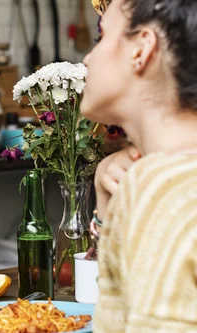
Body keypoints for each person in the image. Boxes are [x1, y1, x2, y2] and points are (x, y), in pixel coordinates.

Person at [82, 0, 197, 331]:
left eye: (101, 36)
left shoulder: (164, 191)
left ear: (142, 49)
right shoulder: (156, 181)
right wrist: (107, 204)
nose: (88, 59)